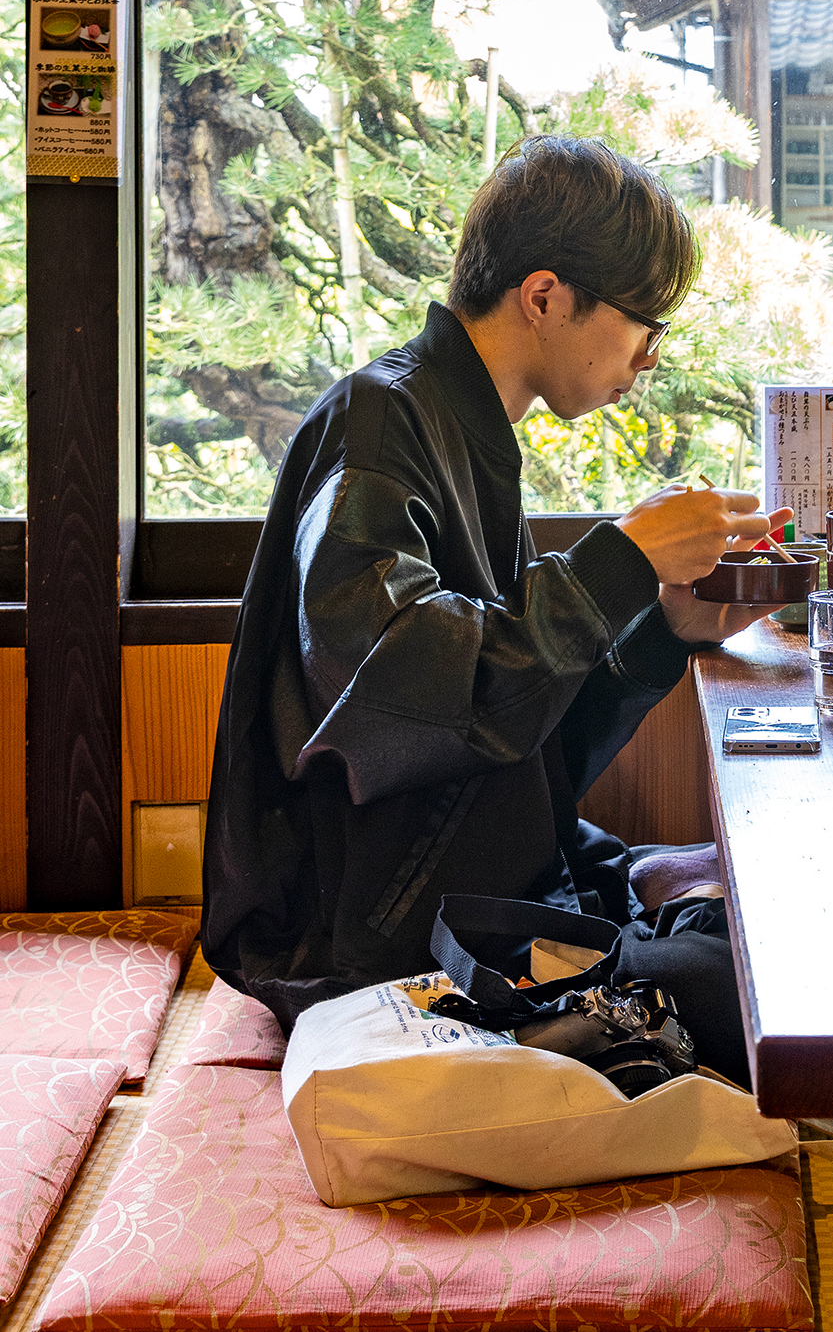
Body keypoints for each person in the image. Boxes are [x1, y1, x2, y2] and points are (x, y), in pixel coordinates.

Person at [202, 134, 774, 1074]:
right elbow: (402, 691)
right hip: (362, 935)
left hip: (441, 881)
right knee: (767, 995)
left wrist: (664, 635)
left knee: (763, 925)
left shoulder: (453, 423)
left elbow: (512, 737)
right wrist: (624, 558)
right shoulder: (379, 423)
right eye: (646, 325)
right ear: (546, 297)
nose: (650, 359)